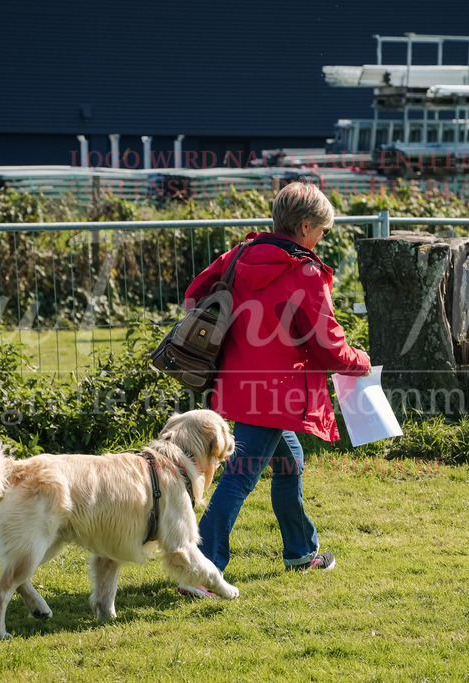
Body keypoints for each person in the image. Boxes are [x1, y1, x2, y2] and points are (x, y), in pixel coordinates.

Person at [177, 181, 370, 597]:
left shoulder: (240, 254)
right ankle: (203, 573)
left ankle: (301, 551)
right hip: (276, 393)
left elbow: (195, 297)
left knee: (290, 463)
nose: (322, 239)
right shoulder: (304, 271)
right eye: (321, 230)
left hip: (237, 383)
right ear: (304, 227)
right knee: (239, 478)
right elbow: (328, 344)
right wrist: (362, 361)